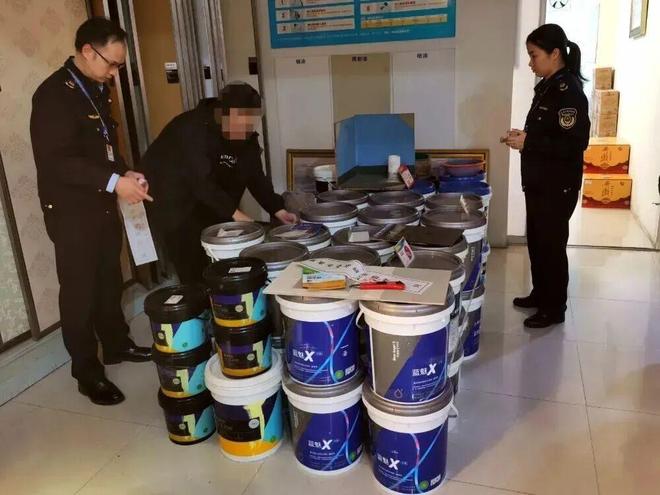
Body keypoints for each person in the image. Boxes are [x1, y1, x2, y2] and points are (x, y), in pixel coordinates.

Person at [30, 18, 152, 406]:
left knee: (108, 279)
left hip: (100, 203)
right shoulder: (53, 95)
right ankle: (87, 373)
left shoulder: (96, 88)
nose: (115, 73)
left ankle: (116, 344)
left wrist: (124, 172)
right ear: (87, 51)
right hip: (70, 211)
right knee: (79, 292)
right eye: (111, 64)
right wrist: (115, 183)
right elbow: (58, 162)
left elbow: (103, 146)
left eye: (119, 65)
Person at [139, 82, 297, 284]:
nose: (246, 131)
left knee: (218, 260)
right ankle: (197, 296)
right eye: (241, 125)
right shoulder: (191, 129)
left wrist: (277, 209)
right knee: (191, 262)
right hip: (173, 200)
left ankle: (217, 294)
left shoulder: (245, 133)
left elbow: (255, 174)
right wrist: (236, 214)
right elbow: (199, 181)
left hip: (211, 199)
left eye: (250, 125)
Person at [502, 24, 590, 329]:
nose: (530, 63)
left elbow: (574, 144)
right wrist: (523, 137)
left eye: (533, 55)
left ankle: (554, 308)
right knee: (538, 243)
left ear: (554, 54)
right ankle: (540, 294)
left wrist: (530, 142)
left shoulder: (569, 91)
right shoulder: (548, 86)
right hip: (540, 182)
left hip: (557, 185)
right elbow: (547, 133)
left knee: (551, 247)